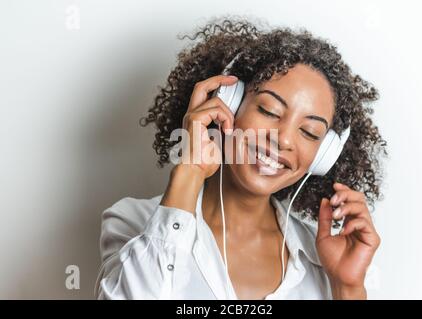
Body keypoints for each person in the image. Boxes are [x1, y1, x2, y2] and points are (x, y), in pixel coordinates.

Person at [95, 17, 387, 300]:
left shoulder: (321, 256)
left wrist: (347, 289)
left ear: (323, 156)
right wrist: (190, 170)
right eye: (270, 111)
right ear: (228, 104)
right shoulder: (134, 222)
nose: (284, 139)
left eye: (309, 132)